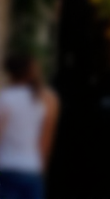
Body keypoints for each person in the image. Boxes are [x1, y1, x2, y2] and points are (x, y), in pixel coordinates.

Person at [0, 54, 59, 199]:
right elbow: (45, 141)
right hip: (31, 168)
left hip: (7, 166)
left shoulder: (5, 98)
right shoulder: (45, 100)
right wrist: (41, 169)